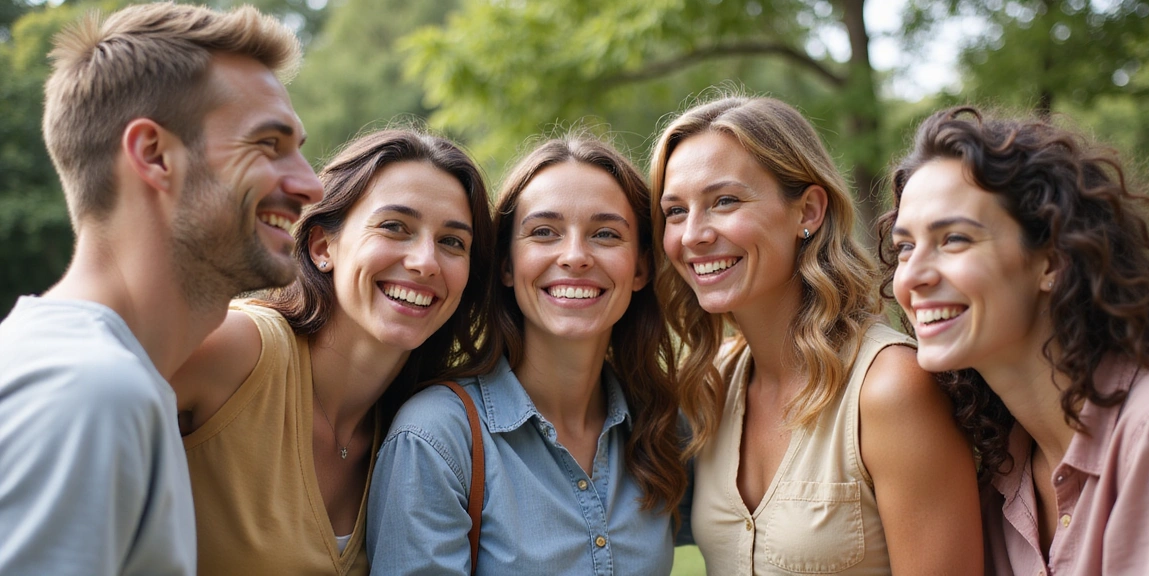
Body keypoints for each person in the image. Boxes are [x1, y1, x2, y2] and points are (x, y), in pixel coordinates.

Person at [0, 3, 321, 574]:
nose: (310, 184)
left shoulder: (110, 380)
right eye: (268, 145)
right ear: (153, 155)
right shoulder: (91, 394)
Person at [651, 95, 983, 575]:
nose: (692, 235)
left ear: (807, 210)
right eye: (676, 211)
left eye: (724, 201)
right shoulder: (712, 384)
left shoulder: (890, 388)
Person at [883, 106, 1149, 576]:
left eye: (954, 239)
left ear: (1053, 260)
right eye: (905, 247)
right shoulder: (1002, 470)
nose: (912, 276)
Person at [170, 128, 496, 575]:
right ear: (324, 247)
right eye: (395, 227)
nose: (425, 261)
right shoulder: (239, 347)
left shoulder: (419, 431)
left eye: (452, 242)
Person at [367, 134, 686, 575]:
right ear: (506, 266)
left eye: (606, 234)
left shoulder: (663, 426)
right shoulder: (436, 438)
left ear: (641, 268)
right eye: (543, 232)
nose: (575, 256)